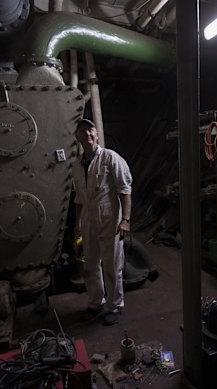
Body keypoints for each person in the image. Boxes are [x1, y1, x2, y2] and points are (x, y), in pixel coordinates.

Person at [72, 118, 132, 326]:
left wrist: (125, 220)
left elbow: (125, 190)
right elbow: (79, 198)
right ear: (77, 138)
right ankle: (96, 302)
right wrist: (77, 224)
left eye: (91, 130)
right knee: (90, 265)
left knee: (112, 264)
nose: (87, 134)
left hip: (109, 217)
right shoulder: (77, 166)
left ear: (96, 135)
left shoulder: (109, 158)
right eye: (82, 132)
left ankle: (115, 305)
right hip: (88, 219)